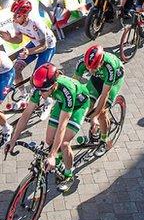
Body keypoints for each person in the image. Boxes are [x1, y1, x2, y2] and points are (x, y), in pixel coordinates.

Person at [5, 64, 90, 192]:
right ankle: (60, 159)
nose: (41, 94)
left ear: (54, 85)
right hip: (61, 103)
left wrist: (52, 155)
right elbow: (26, 114)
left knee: (64, 143)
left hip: (78, 105)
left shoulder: (67, 90)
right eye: (39, 90)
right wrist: (13, 139)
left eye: (44, 91)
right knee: (49, 140)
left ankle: (68, 174)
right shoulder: (40, 87)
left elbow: (62, 125)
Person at [0, 0, 57, 92]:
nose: (14, 17)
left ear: (25, 15)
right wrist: (9, 39)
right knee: (15, 71)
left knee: (37, 78)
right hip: (34, 43)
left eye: (17, 15)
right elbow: (18, 40)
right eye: (13, 14)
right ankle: (23, 95)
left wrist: (29, 51)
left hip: (48, 47)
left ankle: (47, 99)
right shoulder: (16, 23)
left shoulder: (36, 24)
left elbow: (43, 46)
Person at [75, 44, 124, 153]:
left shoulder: (109, 67)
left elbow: (104, 95)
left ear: (101, 62)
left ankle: (104, 139)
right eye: (88, 68)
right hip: (97, 79)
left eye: (93, 68)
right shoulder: (82, 63)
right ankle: (96, 126)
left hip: (114, 80)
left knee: (102, 113)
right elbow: (73, 86)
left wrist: (96, 116)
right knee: (86, 105)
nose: (90, 71)